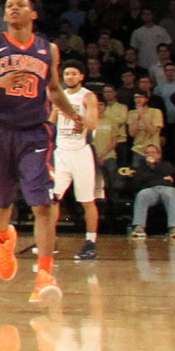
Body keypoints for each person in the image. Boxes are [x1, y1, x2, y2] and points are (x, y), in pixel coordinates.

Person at [0, 0, 84, 301]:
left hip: (35, 133)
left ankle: (45, 275)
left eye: (20, 5)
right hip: (0, 130)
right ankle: (4, 239)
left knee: (43, 204)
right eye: (9, 6)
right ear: (4, 16)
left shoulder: (48, 49)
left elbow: (53, 89)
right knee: (1, 201)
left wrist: (72, 114)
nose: (13, 8)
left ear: (34, 14)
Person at [50, 63, 103, 260]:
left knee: (87, 200)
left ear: (81, 76)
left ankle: (90, 242)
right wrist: (56, 111)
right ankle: (50, 239)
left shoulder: (88, 96)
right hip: (61, 152)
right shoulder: (59, 96)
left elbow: (93, 123)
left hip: (81, 152)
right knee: (52, 197)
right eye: (66, 73)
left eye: (74, 73)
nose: (70, 77)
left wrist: (76, 118)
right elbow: (51, 124)